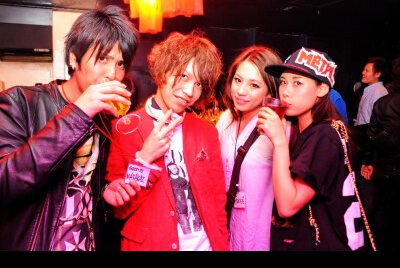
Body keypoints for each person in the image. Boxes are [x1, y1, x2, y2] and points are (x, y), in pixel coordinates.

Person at [0, 5, 139, 251]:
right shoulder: (20, 102)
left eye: (120, 63)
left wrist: (105, 193)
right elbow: (5, 183)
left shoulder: (105, 120)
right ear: (74, 58)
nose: (112, 73)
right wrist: (78, 114)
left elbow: (82, 188)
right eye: (103, 58)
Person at [103, 30, 230, 251]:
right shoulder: (126, 128)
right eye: (184, 76)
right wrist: (144, 159)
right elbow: (121, 209)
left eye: (199, 84)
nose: (189, 91)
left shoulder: (206, 132)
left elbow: (217, 202)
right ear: (163, 69)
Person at [258, 47, 366, 251]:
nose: (286, 91)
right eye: (283, 82)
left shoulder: (323, 136)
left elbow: (287, 206)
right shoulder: (315, 130)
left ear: (322, 89)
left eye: (297, 83)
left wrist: (279, 141)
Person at [215, 45, 282, 251]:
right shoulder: (227, 119)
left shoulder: (278, 127)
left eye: (254, 85)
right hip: (223, 224)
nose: (241, 91)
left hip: (257, 231)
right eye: (238, 80)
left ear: (270, 90)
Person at [361, 56, 400, 251]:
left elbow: (372, 137)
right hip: (388, 168)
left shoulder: (384, 102)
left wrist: (369, 161)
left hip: (387, 170)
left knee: (383, 217)